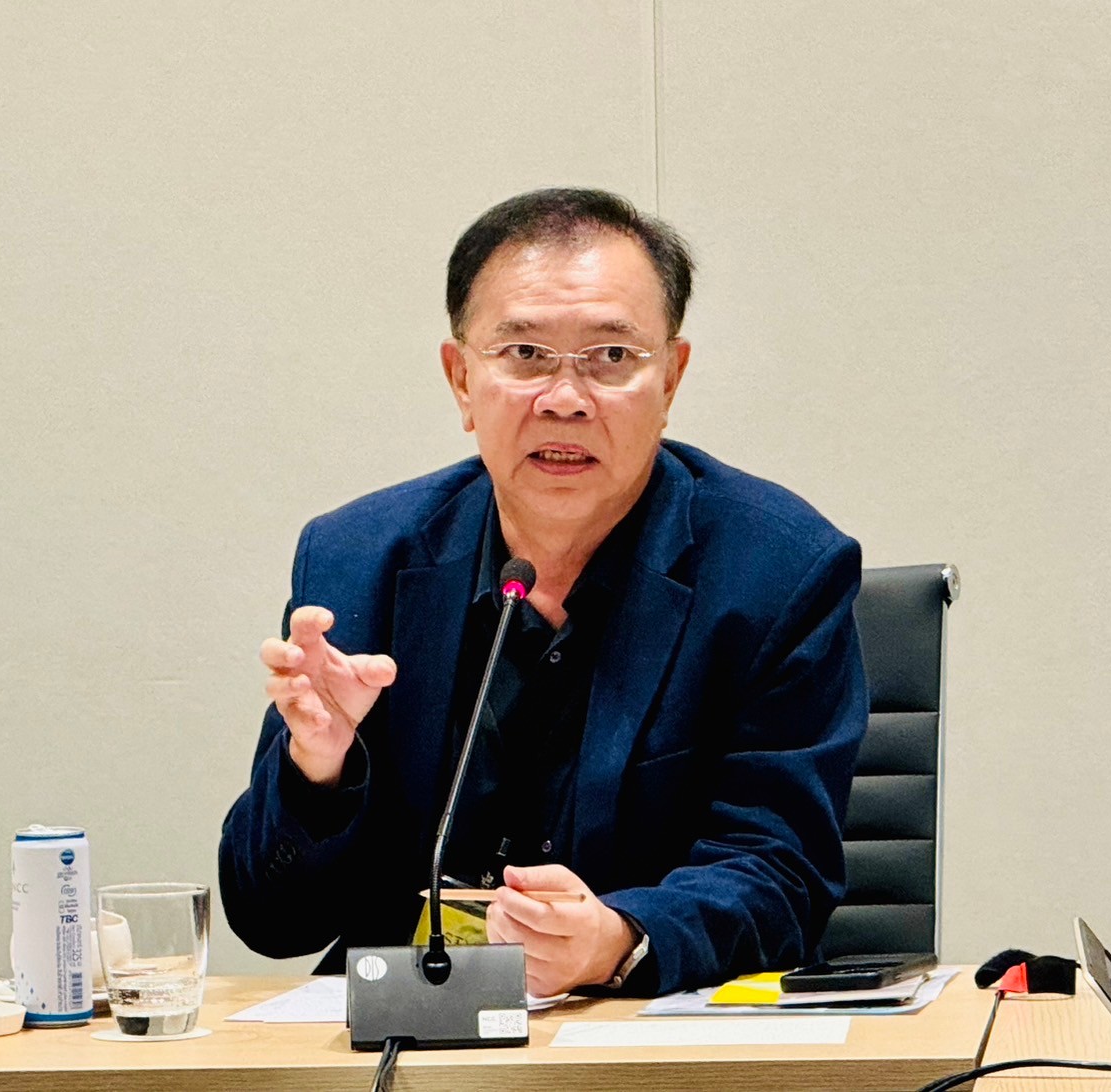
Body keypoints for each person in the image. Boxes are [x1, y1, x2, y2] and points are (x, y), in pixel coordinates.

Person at [219, 188, 868, 997]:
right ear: (461, 379)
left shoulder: (776, 570)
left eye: (611, 357)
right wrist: (318, 773)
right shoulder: (358, 560)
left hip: (648, 1033)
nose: (565, 398)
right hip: (411, 1028)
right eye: (524, 354)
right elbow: (269, 921)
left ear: (670, 379)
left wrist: (617, 939)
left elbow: (782, 872)